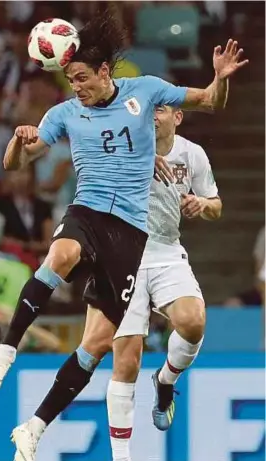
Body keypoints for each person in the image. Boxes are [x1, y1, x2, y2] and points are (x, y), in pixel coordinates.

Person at [0, 7, 248, 460]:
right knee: (60, 255)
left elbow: (209, 101)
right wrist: (18, 142)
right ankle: (5, 351)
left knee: (98, 346)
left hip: (131, 234)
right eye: (71, 80)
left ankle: (35, 427)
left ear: (104, 71)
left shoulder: (147, 92)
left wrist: (219, 78)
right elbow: (16, 165)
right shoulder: (64, 111)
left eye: (82, 78)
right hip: (88, 213)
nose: (76, 88)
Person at [106, 105, 222, 461]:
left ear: (177, 117)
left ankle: (166, 381)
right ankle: (121, 457)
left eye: (160, 110)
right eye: (148, 111)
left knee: (193, 321)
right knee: (126, 358)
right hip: (122, 253)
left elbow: (217, 206)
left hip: (166, 250)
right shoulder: (125, 146)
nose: (152, 116)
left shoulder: (193, 154)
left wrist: (200, 203)